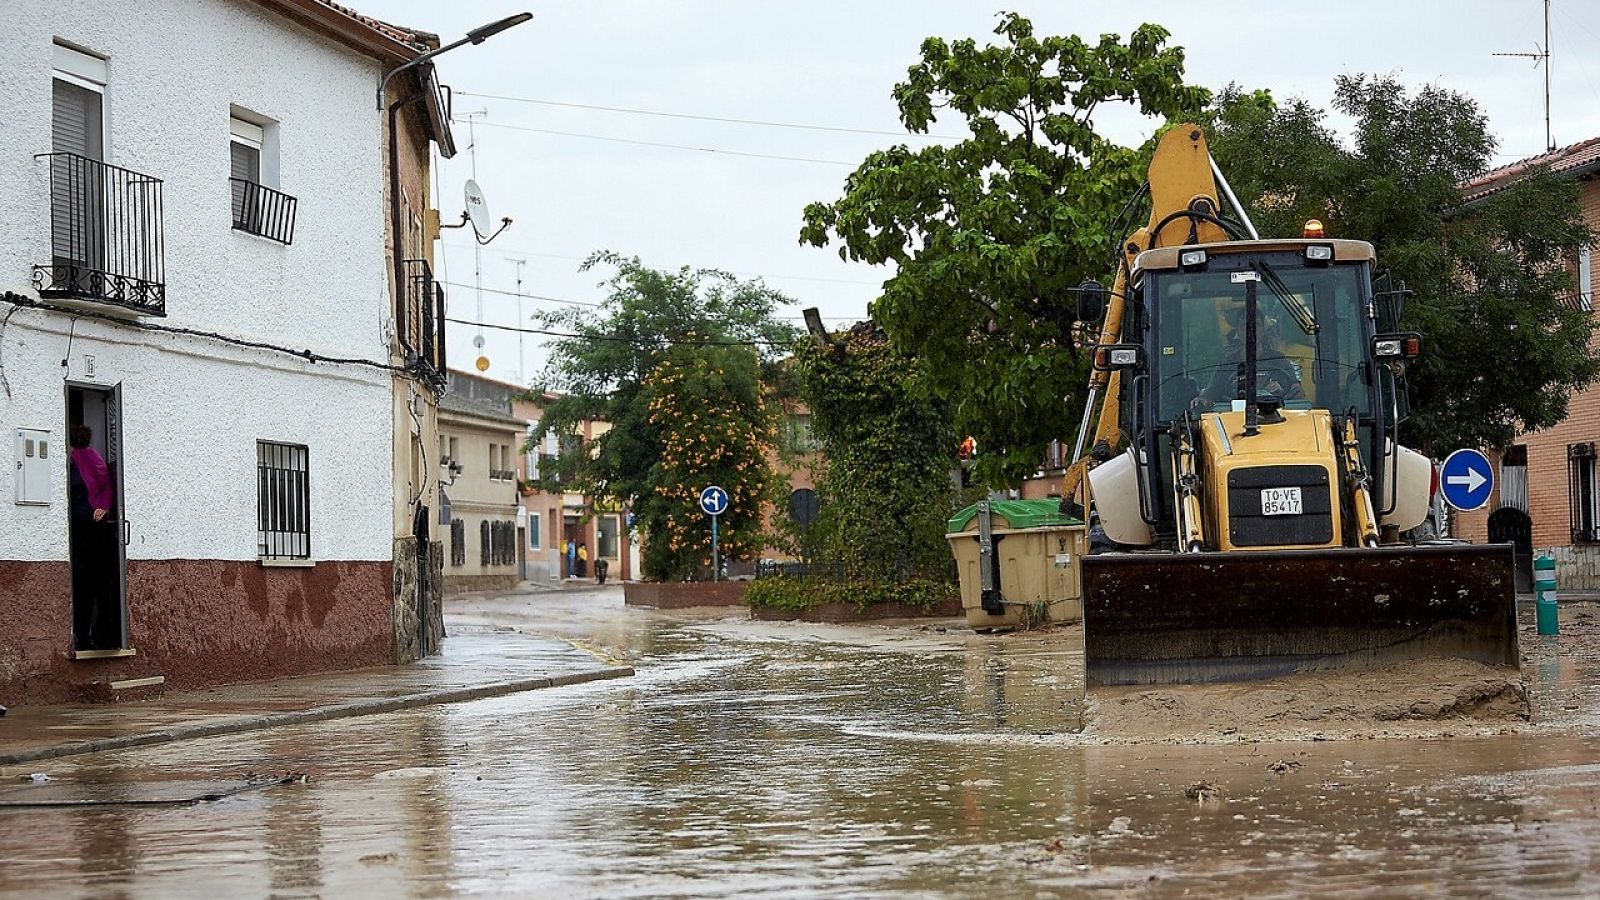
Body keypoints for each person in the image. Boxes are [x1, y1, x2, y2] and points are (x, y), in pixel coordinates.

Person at [1194, 311, 1304, 409]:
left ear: (1263, 330)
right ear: (1237, 330)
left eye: (1255, 325)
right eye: (1243, 325)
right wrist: (1201, 400)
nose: (1250, 329)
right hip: (1232, 420)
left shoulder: (1279, 361)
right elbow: (1209, 394)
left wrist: (1281, 392)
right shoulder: (1227, 364)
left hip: (1274, 418)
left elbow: (1297, 393)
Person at [68, 425, 115, 650]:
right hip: (75, 528)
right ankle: (83, 635)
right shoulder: (71, 459)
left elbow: (106, 486)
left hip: (90, 527)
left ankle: (93, 635)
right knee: (81, 582)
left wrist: (103, 508)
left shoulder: (90, 457)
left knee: (91, 581)